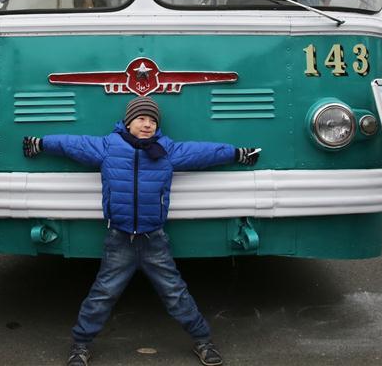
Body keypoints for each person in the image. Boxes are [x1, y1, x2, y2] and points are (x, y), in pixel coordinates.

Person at [23, 97, 261, 366]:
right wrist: (40, 143)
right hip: (119, 239)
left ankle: (203, 341)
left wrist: (238, 153)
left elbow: (204, 153)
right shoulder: (108, 148)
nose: (147, 124)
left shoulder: (165, 150)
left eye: (152, 121)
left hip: (154, 239)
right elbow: (71, 144)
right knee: (103, 293)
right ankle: (80, 345)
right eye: (141, 119)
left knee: (175, 292)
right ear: (128, 122)